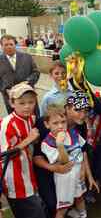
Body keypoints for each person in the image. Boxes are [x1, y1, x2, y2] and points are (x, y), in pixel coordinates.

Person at [33, 91, 98, 218]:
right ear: (67, 108)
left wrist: (86, 172)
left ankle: (75, 209)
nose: (82, 115)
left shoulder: (80, 126)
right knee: (53, 205)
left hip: (71, 167)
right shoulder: (45, 123)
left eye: (85, 111)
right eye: (78, 110)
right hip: (46, 167)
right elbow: (36, 157)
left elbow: (82, 150)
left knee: (77, 194)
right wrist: (54, 168)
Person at [0, 82, 46, 218]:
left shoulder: (30, 119)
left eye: (31, 102)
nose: (27, 106)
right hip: (15, 183)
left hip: (28, 176)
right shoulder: (7, 125)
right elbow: (4, 156)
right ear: (12, 103)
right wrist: (29, 139)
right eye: (22, 103)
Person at [41, 104, 89, 218]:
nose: (60, 126)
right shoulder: (47, 143)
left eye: (63, 122)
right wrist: (60, 144)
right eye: (55, 123)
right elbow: (64, 162)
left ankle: (82, 215)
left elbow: (81, 151)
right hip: (65, 178)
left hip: (78, 174)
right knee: (63, 207)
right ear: (47, 124)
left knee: (80, 197)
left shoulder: (72, 132)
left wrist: (82, 169)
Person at [0, 34, 40, 114]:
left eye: (11, 44)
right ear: (1, 46)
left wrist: (27, 82)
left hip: (28, 96)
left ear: (15, 44)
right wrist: (4, 89)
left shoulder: (27, 57)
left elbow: (36, 72)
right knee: (16, 123)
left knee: (35, 121)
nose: (9, 47)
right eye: (6, 45)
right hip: (11, 99)